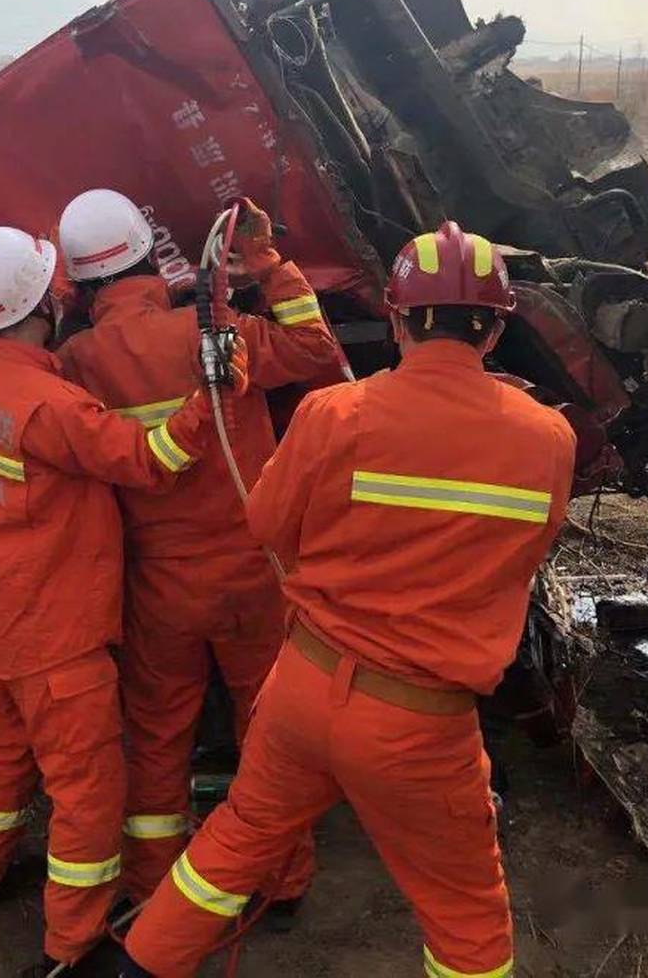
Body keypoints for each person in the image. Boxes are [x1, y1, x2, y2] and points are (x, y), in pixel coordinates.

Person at [120, 222, 578, 978]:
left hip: (303, 687)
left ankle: (142, 967)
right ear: (495, 330)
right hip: (418, 721)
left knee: (231, 847)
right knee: (467, 919)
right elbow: (518, 558)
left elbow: (265, 526)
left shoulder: (336, 414)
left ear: (398, 320)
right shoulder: (548, 438)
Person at [0, 225, 243, 978]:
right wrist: (210, 395)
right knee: (88, 795)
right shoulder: (52, 407)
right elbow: (150, 461)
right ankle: (71, 947)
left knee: (8, 757)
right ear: (41, 298)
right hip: (55, 637)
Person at [54, 190, 340, 912]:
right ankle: (282, 882)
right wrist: (271, 265)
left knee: (156, 739)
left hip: (157, 588)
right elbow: (315, 350)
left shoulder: (74, 362)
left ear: (81, 282)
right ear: (150, 254)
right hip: (253, 574)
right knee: (269, 731)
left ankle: (154, 885)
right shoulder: (213, 334)